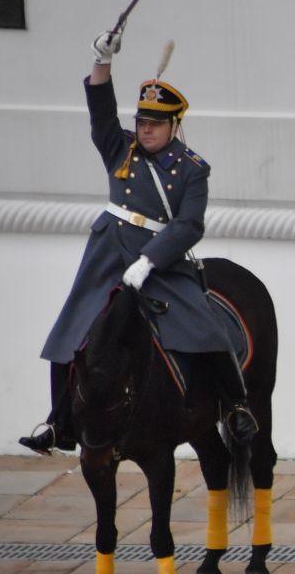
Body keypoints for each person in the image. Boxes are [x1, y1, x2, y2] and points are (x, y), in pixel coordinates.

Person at [22, 30, 255, 454]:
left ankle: (237, 407)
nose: (145, 131)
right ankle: (59, 421)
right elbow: (100, 113)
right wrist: (101, 60)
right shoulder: (120, 149)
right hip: (108, 253)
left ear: (174, 125)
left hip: (159, 260)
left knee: (205, 326)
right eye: (142, 123)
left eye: (154, 125)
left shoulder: (191, 169)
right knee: (70, 330)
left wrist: (150, 260)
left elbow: (189, 225)